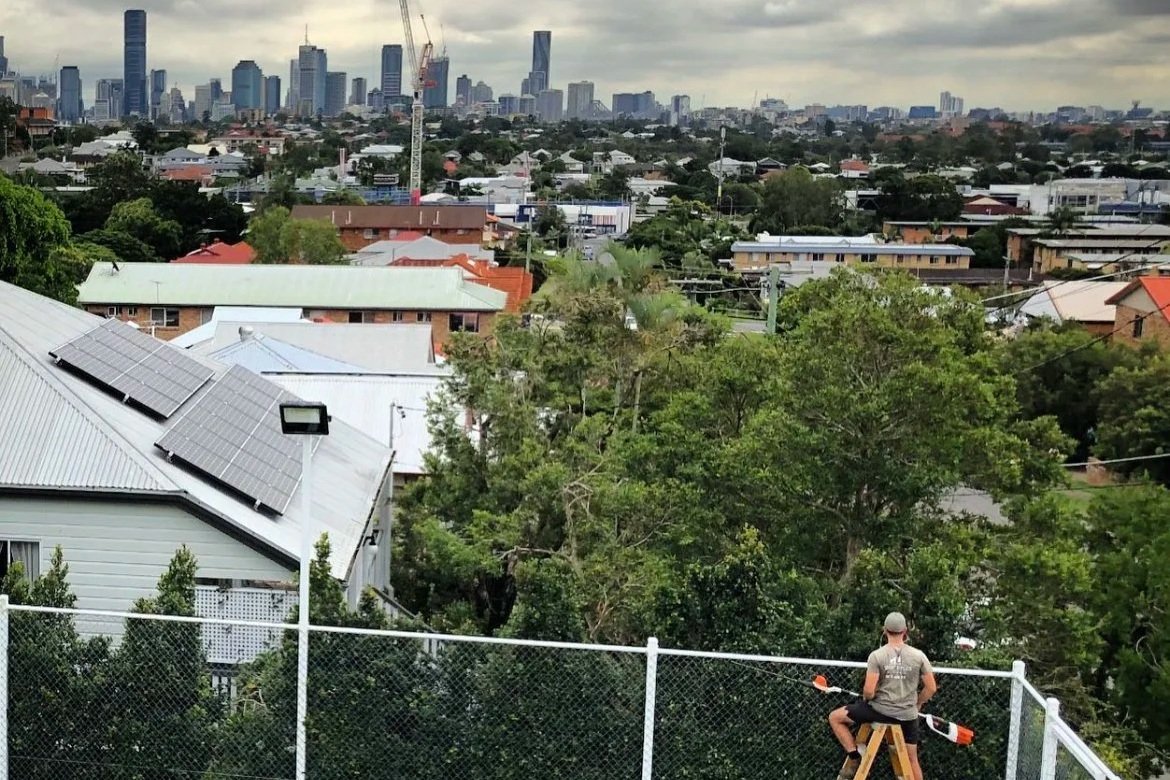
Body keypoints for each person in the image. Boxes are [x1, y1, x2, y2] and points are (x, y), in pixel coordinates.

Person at [828, 612, 937, 780]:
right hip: (908, 716)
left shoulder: (877, 656)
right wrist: (917, 704)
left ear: (885, 631)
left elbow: (869, 691)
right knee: (911, 759)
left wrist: (866, 699)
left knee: (835, 717)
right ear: (905, 631)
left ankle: (855, 757)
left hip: (880, 711)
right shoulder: (919, 656)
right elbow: (931, 688)